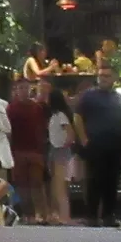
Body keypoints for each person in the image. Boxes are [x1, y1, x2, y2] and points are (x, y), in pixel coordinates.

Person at [73, 66, 121, 226]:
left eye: (106, 75)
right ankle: (91, 215)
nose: (103, 78)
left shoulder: (118, 97)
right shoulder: (88, 96)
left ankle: (108, 215)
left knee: (112, 181)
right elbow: (77, 117)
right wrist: (84, 140)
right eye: (100, 75)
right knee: (94, 180)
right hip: (96, 145)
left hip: (116, 146)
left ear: (114, 78)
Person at [7, 77, 48, 221]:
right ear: (16, 91)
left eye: (26, 88)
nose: (24, 91)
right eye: (20, 88)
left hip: (35, 151)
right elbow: (8, 131)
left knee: (37, 183)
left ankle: (40, 214)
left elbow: (42, 129)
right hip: (18, 151)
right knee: (22, 184)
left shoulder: (37, 107)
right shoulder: (11, 108)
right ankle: (27, 214)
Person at [45, 83, 74, 225]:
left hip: (60, 150)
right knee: (56, 185)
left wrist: (64, 145)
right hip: (55, 149)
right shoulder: (55, 115)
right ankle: (57, 214)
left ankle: (65, 216)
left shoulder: (60, 115)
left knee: (60, 186)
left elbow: (70, 133)